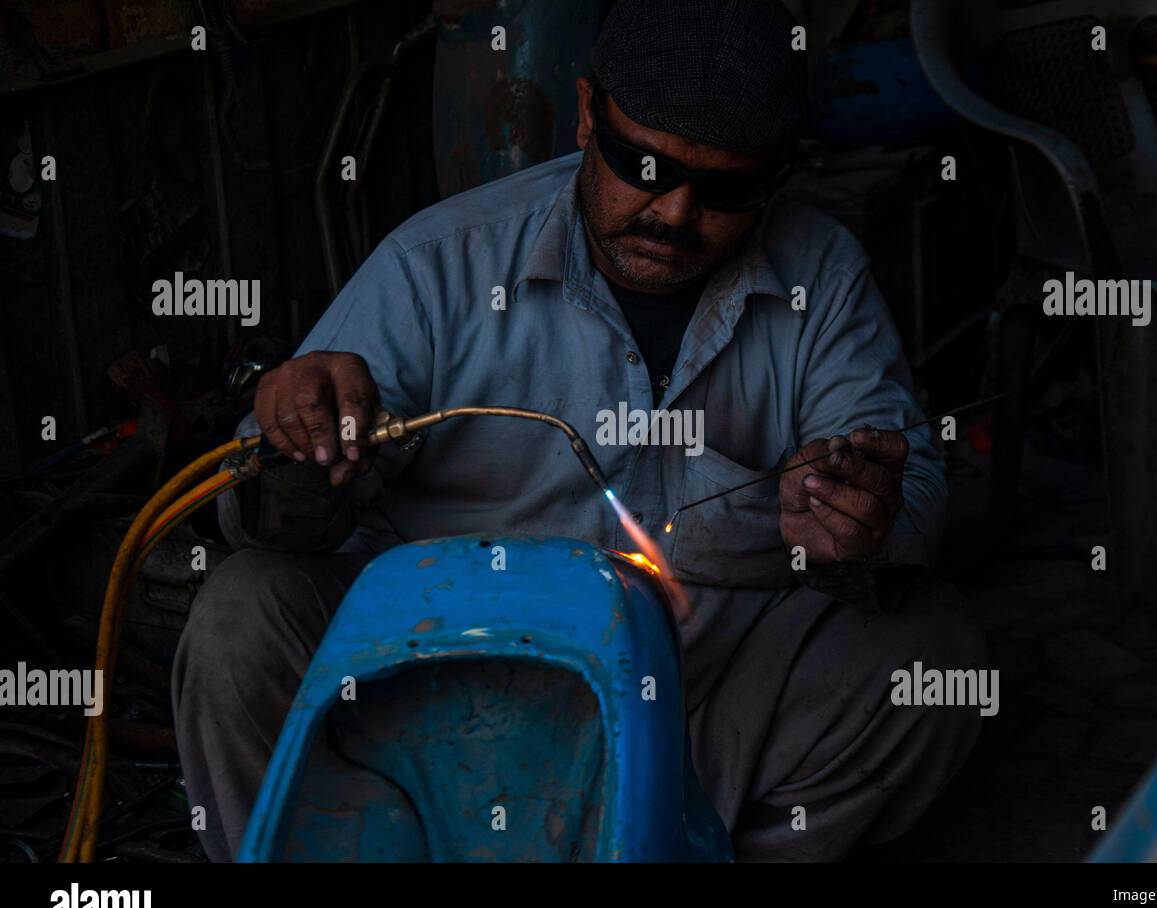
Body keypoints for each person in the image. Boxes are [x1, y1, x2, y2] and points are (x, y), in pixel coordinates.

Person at [174, 0, 985, 862]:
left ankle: (672, 845)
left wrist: (862, 524)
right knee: (240, 617)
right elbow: (254, 513)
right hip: (438, 700)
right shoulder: (440, 265)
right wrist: (303, 451)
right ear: (587, 110)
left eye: (724, 189)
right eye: (643, 164)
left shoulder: (819, 276)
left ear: (780, 173)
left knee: (931, 655)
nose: (674, 213)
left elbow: (916, 498)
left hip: (689, 715)